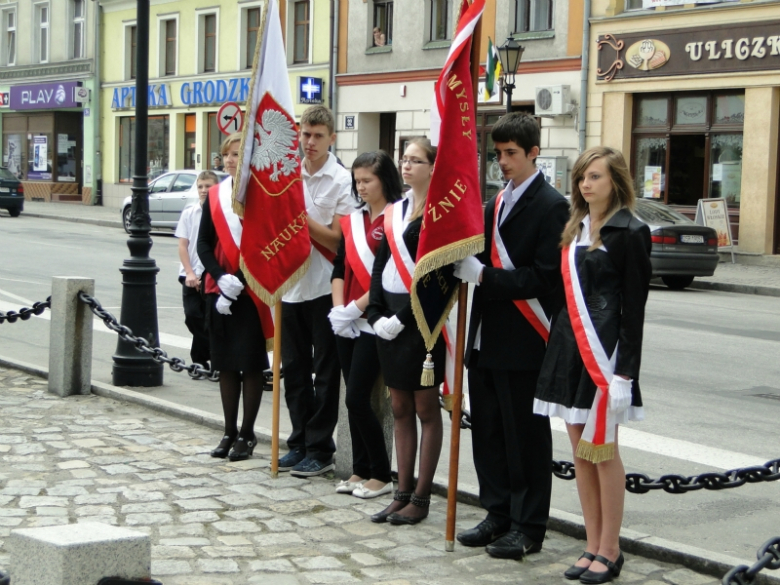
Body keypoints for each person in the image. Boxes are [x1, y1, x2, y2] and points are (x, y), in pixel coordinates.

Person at [453, 113, 569, 558]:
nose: (502, 162)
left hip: (524, 339)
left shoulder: (551, 204)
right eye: (497, 153)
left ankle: (528, 525)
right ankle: (497, 512)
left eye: (511, 154)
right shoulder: (496, 202)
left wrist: (484, 277)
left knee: (525, 438)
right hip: (486, 339)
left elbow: (544, 279)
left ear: (534, 152)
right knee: (488, 434)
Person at [534, 146, 651, 584]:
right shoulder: (575, 227)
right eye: (583, 176)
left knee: (604, 452)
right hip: (569, 346)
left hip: (606, 353)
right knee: (580, 451)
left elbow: (634, 309)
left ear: (615, 182)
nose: (586, 183)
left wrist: (625, 373)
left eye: (596, 176)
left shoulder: (631, 231)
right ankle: (590, 543)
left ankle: (611, 548)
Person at [366, 137, 445, 525]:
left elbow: (439, 278)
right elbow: (381, 265)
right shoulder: (395, 211)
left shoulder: (441, 213)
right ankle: (400, 491)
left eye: (416, 160)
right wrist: (377, 313)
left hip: (423, 321)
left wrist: (406, 318)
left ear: (433, 166)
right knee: (398, 406)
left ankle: (422, 496)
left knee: (425, 408)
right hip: (389, 319)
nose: (407, 165)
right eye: (405, 159)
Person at [279, 105, 354, 478]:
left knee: (325, 373)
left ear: (331, 139)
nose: (309, 142)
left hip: (324, 286)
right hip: (289, 285)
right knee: (293, 370)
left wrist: (298, 217)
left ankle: (320, 447)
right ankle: (298, 441)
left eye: (317, 136)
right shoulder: (286, 175)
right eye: (305, 135)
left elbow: (339, 241)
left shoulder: (341, 180)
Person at [329, 151, 402, 499]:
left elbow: (384, 279)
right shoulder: (353, 220)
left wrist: (355, 309)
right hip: (347, 321)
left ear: (384, 180)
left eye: (367, 181)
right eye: (357, 181)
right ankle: (359, 470)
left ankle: (381, 473)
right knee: (352, 400)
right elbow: (339, 266)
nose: (361, 187)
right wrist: (338, 311)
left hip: (374, 320)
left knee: (358, 398)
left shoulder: (396, 218)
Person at [198, 133, 270, 462]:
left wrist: (238, 282)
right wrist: (219, 277)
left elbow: (263, 246)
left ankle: (247, 433)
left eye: (237, 154)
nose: (230, 160)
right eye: (227, 154)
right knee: (226, 365)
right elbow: (202, 243)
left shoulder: (260, 195)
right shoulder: (214, 196)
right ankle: (228, 430)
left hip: (251, 293)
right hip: (220, 291)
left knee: (251, 366)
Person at [175, 170, 219, 368]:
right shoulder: (190, 213)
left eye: (208, 186)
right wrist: (190, 273)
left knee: (209, 318)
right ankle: (216, 351)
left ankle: (201, 360)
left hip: (211, 273)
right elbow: (183, 245)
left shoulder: (221, 213)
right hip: (191, 273)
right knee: (192, 316)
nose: (203, 190)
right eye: (200, 186)